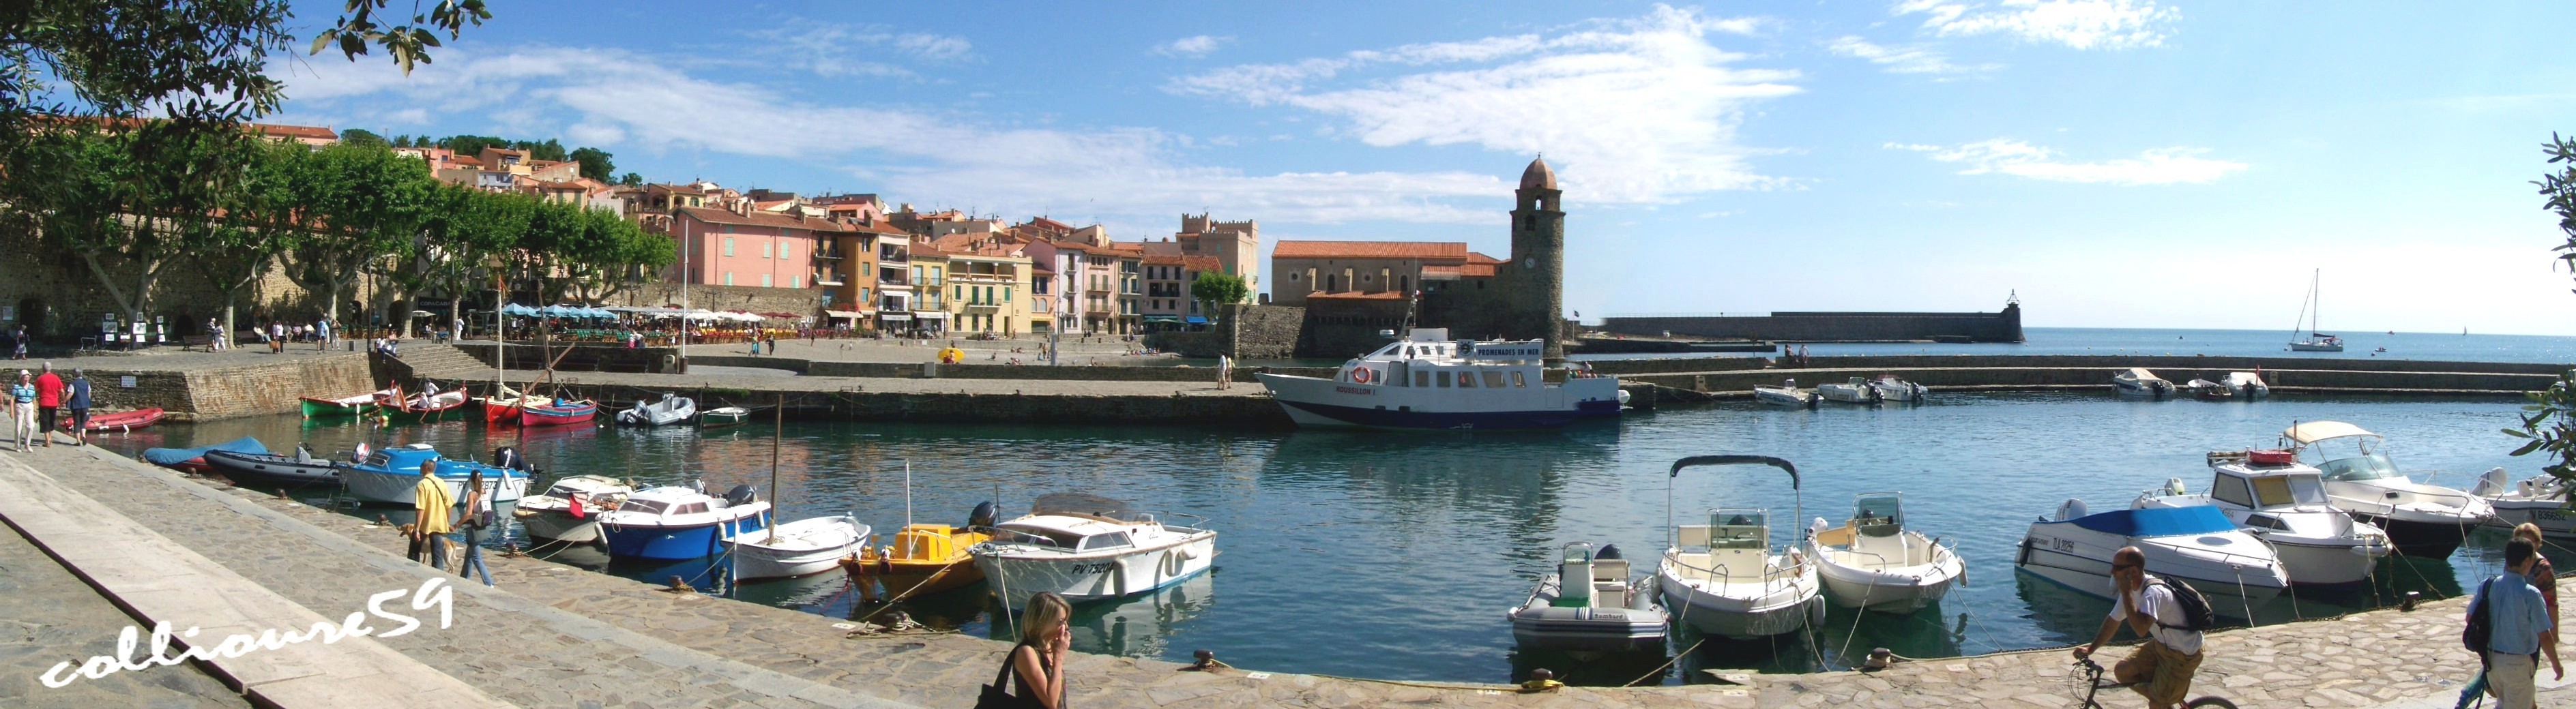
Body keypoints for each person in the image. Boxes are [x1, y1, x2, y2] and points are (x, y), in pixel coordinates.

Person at [2073, 546, 2203, 709]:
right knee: (2123, 671)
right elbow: (2114, 620)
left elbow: (2141, 629)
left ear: (2133, 571)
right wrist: (2091, 649)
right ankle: (2164, 700)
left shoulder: (2153, 593)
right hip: (2161, 646)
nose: (2112, 572)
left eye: (2117, 568)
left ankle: (2162, 701)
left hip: (2183, 654)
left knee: (2157, 704)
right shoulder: (2132, 590)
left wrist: (2126, 593)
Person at [2475, 537, 2560, 708]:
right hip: (2517, 663)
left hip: (2492, 661)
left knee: (2504, 704)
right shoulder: (2530, 594)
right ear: (2528, 561)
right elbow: (2544, 635)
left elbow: (2471, 618)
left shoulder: (2488, 585)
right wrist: (2556, 664)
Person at [1003, 591, 1071, 709]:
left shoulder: (1047, 647)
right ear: (1042, 621)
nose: (1066, 627)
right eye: (1060, 622)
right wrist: (1058, 658)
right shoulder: (1027, 653)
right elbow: (1051, 702)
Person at [409, 460, 456, 571]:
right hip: (439, 524)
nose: (420, 467)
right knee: (437, 555)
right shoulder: (442, 483)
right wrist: (447, 523)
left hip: (425, 524)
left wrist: (416, 529)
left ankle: (412, 572)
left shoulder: (422, 484)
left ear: (426, 468)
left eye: (421, 466)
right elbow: (449, 505)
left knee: (414, 551)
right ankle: (438, 577)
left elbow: (420, 509)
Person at [455, 470, 494, 586]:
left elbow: (468, 514)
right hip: (482, 527)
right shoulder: (485, 492)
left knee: (477, 558)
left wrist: (456, 525)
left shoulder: (472, 495)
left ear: (471, 480)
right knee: (469, 556)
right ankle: (463, 579)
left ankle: (489, 584)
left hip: (473, 529)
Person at [32, 363, 61, 447]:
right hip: (54, 403)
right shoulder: (56, 378)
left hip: (44, 402)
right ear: (51, 369)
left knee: (45, 421)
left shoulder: (40, 378)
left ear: (43, 369)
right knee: (51, 421)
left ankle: (47, 440)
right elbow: (62, 390)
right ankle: (50, 438)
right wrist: (62, 400)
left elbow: (34, 389)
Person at [8, 371, 35, 451]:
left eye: (28, 378)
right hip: (19, 405)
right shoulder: (17, 387)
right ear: (21, 378)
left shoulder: (32, 387)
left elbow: (34, 399)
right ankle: (18, 445)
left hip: (29, 405)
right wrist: (11, 411)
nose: (27, 379)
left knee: (31, 426)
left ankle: (27, 444)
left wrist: (35, 410)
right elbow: (12, 399)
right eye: (25, 378)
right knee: (19, 427)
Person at [64, 370, 90, 446]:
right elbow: (88, 394)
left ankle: (78, 441)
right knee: (83, 422)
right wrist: (87, 402)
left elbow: (70, 394)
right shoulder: (86, 383)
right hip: (85, 405)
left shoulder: (73, 384)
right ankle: (84, 436)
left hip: (76, 406)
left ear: (74, 375)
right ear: (81, 374)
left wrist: (64, 401)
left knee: (77, 422)